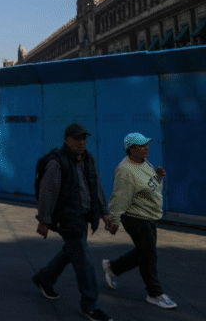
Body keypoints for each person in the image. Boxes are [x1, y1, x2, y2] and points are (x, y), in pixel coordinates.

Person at [32, 123, 115, 321]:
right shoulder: (57, 162)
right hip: (67, 219)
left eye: (84, 139)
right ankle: (90, 306)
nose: (81, 143)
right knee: (84, 262)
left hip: (84, 216)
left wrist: (105, 213)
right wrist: (43, 220)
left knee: (71, 251)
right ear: (67, 140)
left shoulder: (88, 159)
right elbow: (47, 192)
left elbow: (97, 186)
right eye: (77, 139)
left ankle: (44, 278)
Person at [102, 133, 177, 309]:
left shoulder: (144, 163)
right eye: (140, 146)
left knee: (144, 252)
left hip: (149, 215)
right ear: (130, 149)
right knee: (149, 255)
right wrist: (114, 220)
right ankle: (154, 293)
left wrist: (158, 178)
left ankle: (113, 268)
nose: (146, 148)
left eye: (146, 145)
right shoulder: (126, 170)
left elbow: (148, 187)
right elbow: (120, 197)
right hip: (135, 217)